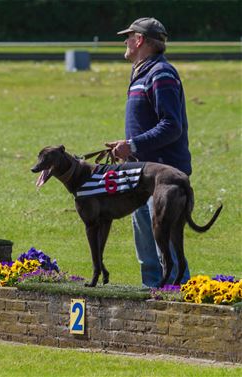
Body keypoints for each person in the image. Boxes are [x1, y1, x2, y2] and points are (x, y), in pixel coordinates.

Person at [106, 17, 192, 287]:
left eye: (129, 36)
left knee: (167, 256)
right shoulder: (143, 72)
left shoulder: (161, 74)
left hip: (163, 180)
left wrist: (132, 145)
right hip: (141, 178)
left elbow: (171, 126)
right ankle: (152, 313)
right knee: (148, 257)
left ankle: (180, 310)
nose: (125, 41)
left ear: (140, 40)